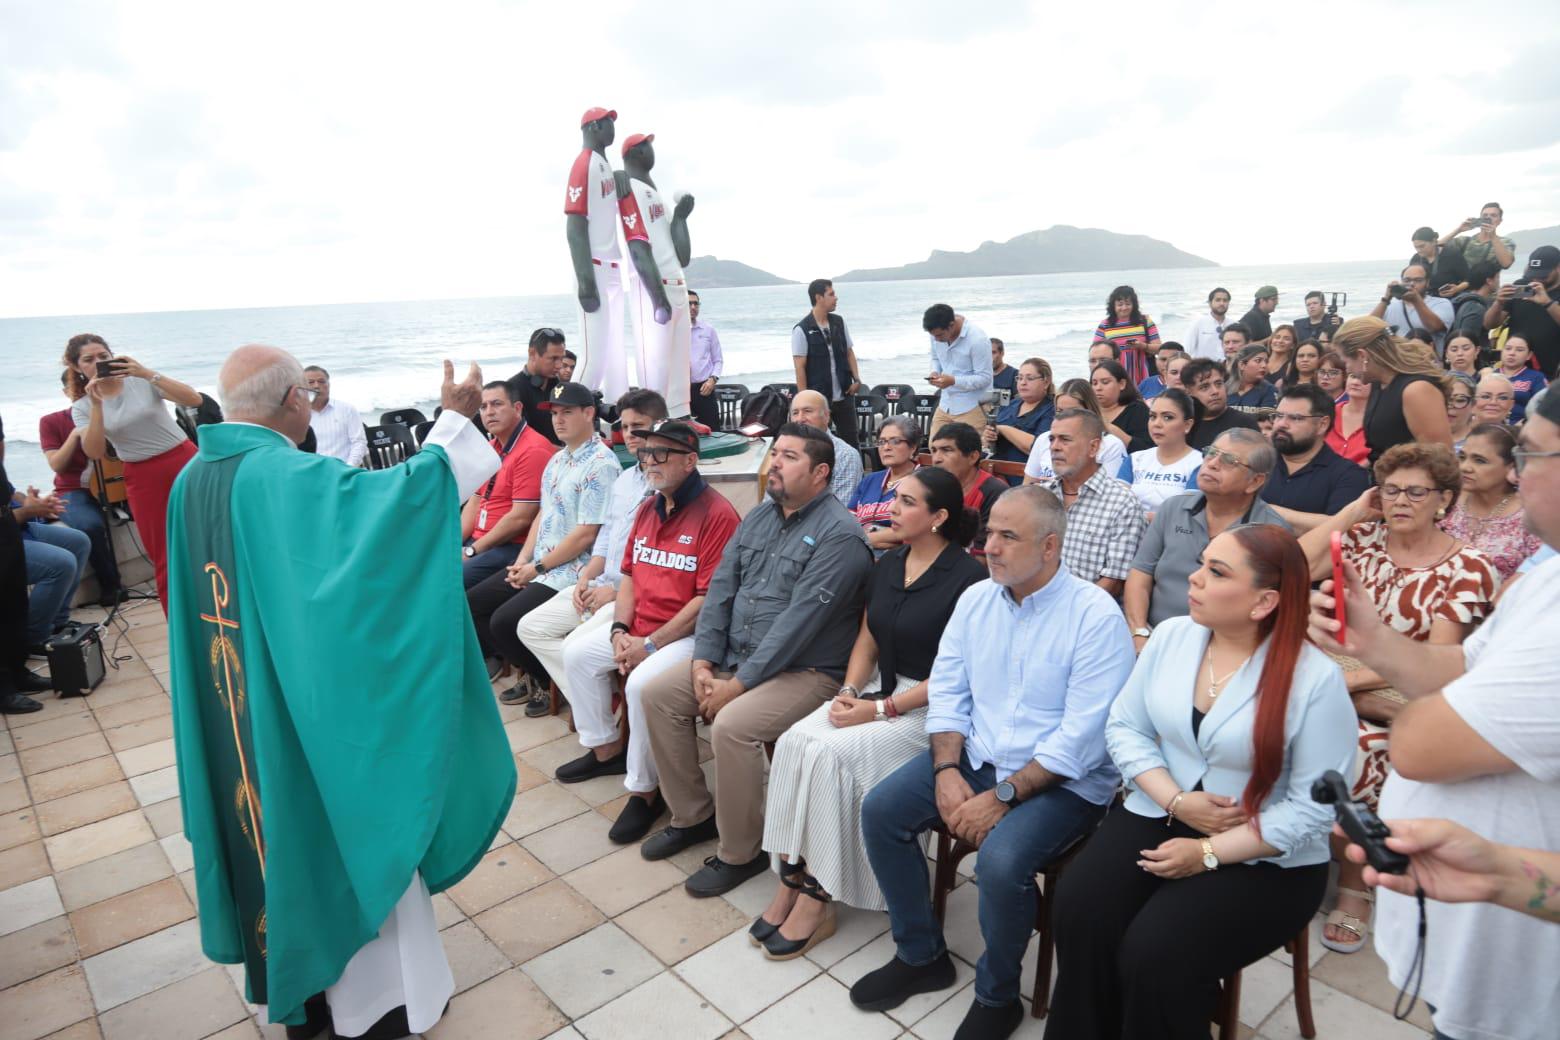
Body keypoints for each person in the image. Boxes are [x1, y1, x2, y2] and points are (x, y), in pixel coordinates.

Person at [165, 349, 514, 1038]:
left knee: (262, 829)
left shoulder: (191, 479)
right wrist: (453, 422)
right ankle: (372, 1005)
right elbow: (391, 516)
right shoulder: (280, 475)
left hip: (235, 702)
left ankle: (300, 997)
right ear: (295, 400)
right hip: (294, 718)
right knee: (346, 818)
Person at [1306, 386, 1560, 1040]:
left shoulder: (1484, 573)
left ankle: (1348, 884)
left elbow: (1420, 744)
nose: (1513, 475)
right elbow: (1457, 667)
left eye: (1528, 454)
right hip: (1481, 912)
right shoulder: (1544, 580)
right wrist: (1373, 642)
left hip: (1518, 977)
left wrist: (1347, 679)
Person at [1045, 525, 1356, 1039]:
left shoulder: (1315, 679)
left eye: (1217, 572)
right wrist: (1176, 799)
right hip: (1166, 808)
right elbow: (1125, 726)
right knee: (1081, 911)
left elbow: (1314, 808)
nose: (1194, 578)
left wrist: (1208, 852)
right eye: (1201, 563)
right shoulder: (1173, 636)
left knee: (1156, 952)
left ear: (1264, 602)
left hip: (1263, 850)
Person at [849, 487, 1135, 1040]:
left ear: (1050, 546)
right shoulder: (978, 600)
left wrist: (1003, 797)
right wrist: (945, 770)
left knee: (1001, 863)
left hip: (1064, 782)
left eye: (1009, 537)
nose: (991, 548)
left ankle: (997, 997)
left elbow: (1083, 738)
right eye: (989, 534)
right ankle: (921, 954)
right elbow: (949, 692)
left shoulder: (1095, 616)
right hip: (980, 757)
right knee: (882, 811)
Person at [756, 468, 986, 958]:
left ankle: (819, 895)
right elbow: (868, 637)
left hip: (931, 708)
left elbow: (960, 676)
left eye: (907, 503)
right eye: (895, 499)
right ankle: (791, 875)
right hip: (876, 688)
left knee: (831, 756)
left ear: (939, 517)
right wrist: (848, 690)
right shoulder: (889, 563)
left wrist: (880, 709)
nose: (892, 510)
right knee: (797, 740)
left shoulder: (968, 580)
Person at [639, 423, 873, 897]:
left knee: (732, 726)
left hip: (806, 670)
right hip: (738, 657)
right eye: (775, 453)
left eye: (789, 456)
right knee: (656, 693)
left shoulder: (841, 536)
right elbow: (720, 591)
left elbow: (798, 625)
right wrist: (703, 662)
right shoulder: (761, 517)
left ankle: (739, 851)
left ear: (820, 473)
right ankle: (693, 816)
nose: (775, 463)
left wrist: (736, 686)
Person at [1298, 443, 1498, 954]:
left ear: (1444, 499)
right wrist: (1351, 512)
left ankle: (1355, 884)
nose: (1400, 501)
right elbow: (1291, 566)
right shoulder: (1361, 538)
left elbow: (1434, 662)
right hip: (1329, 678)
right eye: (1390, 490)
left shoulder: (1469, 567)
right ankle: (1280, 849)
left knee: (1359, 749)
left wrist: (1349, 682)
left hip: (1401, 696)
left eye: (1415, 492)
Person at [556, 421, 740, 842]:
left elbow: (707, 601)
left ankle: (645, 791)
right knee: (577, 654)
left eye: (661, 454)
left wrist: (650, 644)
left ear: (690, 461)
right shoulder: (647, 508)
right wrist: (620, 630)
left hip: (690, 636)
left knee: (641, 685)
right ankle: (606, 749)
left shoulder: (717, 515)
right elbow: (630, 578)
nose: (648, 462)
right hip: (641, 627)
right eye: (645, 454)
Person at [467, 382, 619, 714]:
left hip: (571, 569)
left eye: (567, 412)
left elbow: (586, 535)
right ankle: (536, 672)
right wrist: (523, 560)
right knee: (474, 603)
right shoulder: (557, 459)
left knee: (505, 620)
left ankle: (548, 681)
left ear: (589, 413)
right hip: (540, 563)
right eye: (554, 413)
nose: (558, 420)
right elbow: (542, 514)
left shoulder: (601, 464)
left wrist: (537, 568)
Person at [513, 390, 662, 721]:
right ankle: (600, 701)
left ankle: (598, 719)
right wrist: (586, 577)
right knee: (529, 627)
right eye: (625, 427)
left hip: (626, 593)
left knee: (572, 649)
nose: (631, 435)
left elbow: (654, 560)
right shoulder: (625, 481)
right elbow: (605, 539)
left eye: (639, 427)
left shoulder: (660, 487)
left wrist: (613, 590)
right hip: (596, 579)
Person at [66, 333, 201, 610]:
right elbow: (94, 450)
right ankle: (179, 621)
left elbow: (194, 399)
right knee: (162, 553)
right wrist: (96, 406)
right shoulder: (82, 407)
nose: (98, 362)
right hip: (141, 475)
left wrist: (146, 372)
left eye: (103, 356)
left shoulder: (140, 380)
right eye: (89, 360)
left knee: (208, 535)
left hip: (183, 460)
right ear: (78, 368)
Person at [1125, 429, 1288, 650]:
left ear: (1255, 481)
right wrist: (1139, 634)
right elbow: (1140, 573)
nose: (1212, 464)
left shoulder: (1271, 533)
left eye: (1229, 460)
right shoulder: (1173, 508)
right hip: (1152, 637)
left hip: (1225, 650)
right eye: (1211, 453)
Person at [1034, 409, 1145, 596]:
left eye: (1065, 439)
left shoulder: (1123, 504)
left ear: (1093, 448)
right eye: (1052, 439)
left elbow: (1114, 582)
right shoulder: (1040, 497)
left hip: (1087, 608)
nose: (1054, 447)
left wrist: (1063, 607)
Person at [459, 381, 556, 590]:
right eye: (483, 407)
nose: (489, 412)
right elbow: (475, 502)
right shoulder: (489, 447)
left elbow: (520, 518)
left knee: (446, 580)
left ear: (517, 408)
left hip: (510, 545)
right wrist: (453, 545)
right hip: (480, 542)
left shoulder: (532, 450)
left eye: (497, 404)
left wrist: (471, 551)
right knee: (427, 567)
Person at [38, 371, 123, 606]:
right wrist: (75, 435)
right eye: (76, 386)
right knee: (89, 526)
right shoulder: (51, 421)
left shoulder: (116, 414)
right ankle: (112, 586)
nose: (84, 390)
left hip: (117, 483)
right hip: (75, 489)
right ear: (65, 392)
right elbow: (56, 464)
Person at [1335, 315, 1453, 465]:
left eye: (1346, 362)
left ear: (1362, 355)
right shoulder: (1378, 385)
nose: (1347, 369)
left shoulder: (1416, 390)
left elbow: (1441, 459)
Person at [1261, 383, 1372, 527]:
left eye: (1295, 418)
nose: (1282, 424)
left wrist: (1267, 511)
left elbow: (1342, 528)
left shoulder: (1348, 475)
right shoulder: (1257, 462)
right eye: (1278, 416)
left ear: (1322, 424)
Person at [1443, 424, 1542, 581]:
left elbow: (1539, 575)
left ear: (1512, 467)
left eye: (1480, 461)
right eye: (1462, 457)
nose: (1465, 467)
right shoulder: (1446, 501)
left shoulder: (1531, 516)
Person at [1, 424, 53, 712]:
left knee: (14, 601)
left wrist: (24, 504)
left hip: (5, 520)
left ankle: (18, 671)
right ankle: (3, 689)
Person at [15, 484, 89, 654]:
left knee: (78, 542)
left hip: (17, 529)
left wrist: (32, 502)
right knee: (61, 564)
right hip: (6, 538)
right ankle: (33, 637)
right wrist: (28, 511)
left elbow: (10, 495)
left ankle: (57, 621)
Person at [791, 279, 864, 444]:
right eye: (831, 294)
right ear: (819, 298)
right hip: (819, 400)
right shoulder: (802, 329)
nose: (836, 298)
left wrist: (857, 379)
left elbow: (849, 352)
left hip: (845, 396)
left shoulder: (839, 322)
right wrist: (805, 402)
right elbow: (800, 368)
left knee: (852, 441)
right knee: (819, 444)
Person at [1022, 378, 1129, 483]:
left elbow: (1112, 490)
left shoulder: (1111, 445)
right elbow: (1027, 485)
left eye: (1072, 412)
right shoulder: (1044, 439)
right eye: (1059, 411)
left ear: (1089, 410)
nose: (1064, 417)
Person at [930, 422, 1008, 556]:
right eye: (934, 450)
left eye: (947, 450)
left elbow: (984, 557)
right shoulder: (929, 487)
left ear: (973, 457)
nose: (936, 459)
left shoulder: (995, 493)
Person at [849, 415, 920, 554]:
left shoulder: (922, 481)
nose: (886, 447)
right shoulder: (870, 480)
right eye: (881, 442)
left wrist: (864, 539)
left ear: (913, 447)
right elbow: (848, 523)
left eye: (895, 441)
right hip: (859, 553)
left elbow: (913, 531)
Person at [1485, 245, 1560, 377]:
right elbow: (1489, 324)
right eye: (1534, 274)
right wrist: (1498, 303)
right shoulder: (1522, 285)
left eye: (1543, 275)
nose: (1536, 279)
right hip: (1515, 370)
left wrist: (1548, 303)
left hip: (1552, 371)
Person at [1125, 388, 1201, 514]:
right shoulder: (1134, 459)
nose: (1157, 424)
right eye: (1152, 416)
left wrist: (1144, 518)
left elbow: (1185, 515)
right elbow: (1117, 505)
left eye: (1167, 417)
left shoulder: (1200, 464)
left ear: (1187, 425)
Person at [923, 303, 994, 435]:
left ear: (951, 325)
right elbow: (935, 358)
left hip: (973, 406)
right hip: (945, 404)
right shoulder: (936, 333)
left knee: (970, 447)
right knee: (934, 445)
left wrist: (953, 381)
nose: (936, 339)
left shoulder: (977, 339)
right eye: (933, 336)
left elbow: (985, 378)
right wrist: (934, 372)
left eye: (939, 335)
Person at [982, 357, 1055, 475]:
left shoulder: (1051, 410)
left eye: (1029, 378)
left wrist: (1003, 429)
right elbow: (988, 438)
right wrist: (987, 436)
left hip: (1024, 474)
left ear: (1046, 382)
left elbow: (1039, 447)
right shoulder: (1011, 404)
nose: (1023, 382)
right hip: (994, 469)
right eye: (1019, 378)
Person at [789, 389, 862, 504]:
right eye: (795, 413)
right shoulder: (783, 452)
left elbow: (841, 508)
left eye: (807, 411)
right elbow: (769, 503)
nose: (800, 419)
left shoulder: (845, 456)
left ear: (827, 416)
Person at [1372, 262, 1454, 356]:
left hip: (1427, 360)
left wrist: (1416, 300)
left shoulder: (1441, 303)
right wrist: (1386, 299)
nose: (1411, 284)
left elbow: (1434, 327)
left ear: (1427, 283)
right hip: (1397, 360)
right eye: (1407, 280)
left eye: (1418, 280)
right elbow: (1367, 327)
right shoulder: (1390, 306)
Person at [507, 327, 568, 445]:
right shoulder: (513, 389)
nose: (559, 365)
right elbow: (519, 440)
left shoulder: (558, 385)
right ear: (532, 353)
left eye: (561, 358)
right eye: (553, 358)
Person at [1181, 357, 1259, 450]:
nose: (1215, 391)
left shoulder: (1245, 424)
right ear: (1189, 392)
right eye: (1205, 387)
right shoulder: (1183, 426)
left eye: (1219, 384)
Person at [1091, 285, 1162, 385]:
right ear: (1113, 306)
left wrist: (1143, 346)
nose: (1124, 308)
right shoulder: (1105, 325)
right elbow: (1096, 351)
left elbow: (1160, 349)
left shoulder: (1145, 321)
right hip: (1115, 375)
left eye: (1128, 304)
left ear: (1134, 305)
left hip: (1145, 374)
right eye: (1120, 305)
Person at [302, 366, 367, 466]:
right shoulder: (299, 414)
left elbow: (359, 442)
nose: (316, 386)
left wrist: (349, 467)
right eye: (310, 382)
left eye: (321, 381)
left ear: (329, 385)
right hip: (314, 469)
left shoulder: (347, 409)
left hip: (345, 468)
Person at [1090, 360, 1152, 452]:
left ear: (1122, 384)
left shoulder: (1138, 410)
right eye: (1094, 383)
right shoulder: (1087, 409)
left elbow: (1148, 448)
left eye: (1105, 382)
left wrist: (1112, 430)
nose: (1098, 388)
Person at [1485, 334, 1549, 422]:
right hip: (1490, 425)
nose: (1512, 353)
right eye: (1508, 348)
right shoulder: (1489, 375)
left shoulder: (1537, 377)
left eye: (1519, 350)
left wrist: (1524, 423)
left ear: (1529, 355)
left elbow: (1544, 407)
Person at [1440, 202, 1517, 271]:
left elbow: (1506, 264)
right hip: (1462, 282)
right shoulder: (1464, 241)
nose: (1488, 218)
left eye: (1493, 215)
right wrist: (1458, 230)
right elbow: (1437, 246)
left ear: (1499, 221)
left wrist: (1493, 237)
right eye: (1485, 215)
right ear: (1480, 218)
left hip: (1487, 282)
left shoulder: (1505, 242)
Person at [686, 289, 724, 430]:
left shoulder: (708, 330)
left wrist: (713, 379)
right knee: (686, 434)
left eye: (696, 304)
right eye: (689, 304)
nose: (693, 307)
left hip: (704, 389)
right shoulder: (673, 331)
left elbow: (718, 359)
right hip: (682, 391)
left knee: (713, 431)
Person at [1410, 226, 1473, 298]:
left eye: (1422, 246)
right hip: (1423, 298)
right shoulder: (1416, 258)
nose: (1418, 250)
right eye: (1416, 247)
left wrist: (1457, 289)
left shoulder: (1451, 255)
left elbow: (1469, 280)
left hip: (1447, 298)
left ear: (1433, 241)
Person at [1449, 260, 1501, 338]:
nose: (1499, 281)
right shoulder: (1476, 307)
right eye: (1497, 277)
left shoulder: (1461, 299)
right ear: (1489, 281)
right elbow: (1468, 339)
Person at [1184, 287, 1235, 361]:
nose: (1222, 303)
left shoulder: (1233, 325)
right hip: (1203, 366)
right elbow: (1187, 351)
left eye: (1225, 300)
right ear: (1210, 303)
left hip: (1226, 367)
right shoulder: (1198, 324)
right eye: (1218, 300)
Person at [1228, 345, 1278, 411]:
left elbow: (1267, 417)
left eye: (1266, 361)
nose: (1264, 365)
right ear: (1242, 365)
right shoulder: (1225, 388)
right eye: (1258, 361)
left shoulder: (1269, 390)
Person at [1446, 376, 1477, 449]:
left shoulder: (1482, 443)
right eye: (1444, 399)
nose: (1450, 406)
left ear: (1473, 405)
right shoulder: (1421, 440)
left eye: (1459, 400)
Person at [1265, 323, 1298, 388]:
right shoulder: (1259, 361)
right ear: (1271, 341)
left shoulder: (1292, 366)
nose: (1280, 341)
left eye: (1286, 339)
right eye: (1277, 337)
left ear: (1293, 345)